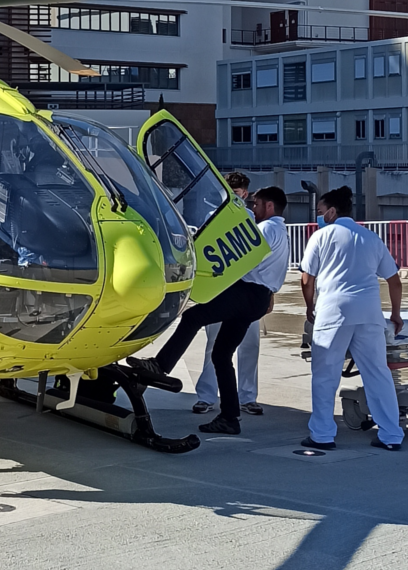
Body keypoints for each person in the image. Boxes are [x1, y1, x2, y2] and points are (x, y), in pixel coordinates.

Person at [129, 186, 289, 435]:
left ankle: (160, 365)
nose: (253, 209)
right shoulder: (282, 230)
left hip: (248, 293)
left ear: (269, 207)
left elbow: (243, 255)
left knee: (193, 316)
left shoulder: (267, 228)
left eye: (256, 205)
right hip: (256, 299)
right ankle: (229, 418)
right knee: (221, 355)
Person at [299, 186, 404, 452]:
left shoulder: (321, 237)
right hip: (369, 313)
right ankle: (391, 435)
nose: (319, 216)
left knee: (325, 375)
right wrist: (394, 313)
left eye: (321, 211)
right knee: (377, 373)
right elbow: (394, 280)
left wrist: (310, 307)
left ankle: (323, 434)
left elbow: (306, 279)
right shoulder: (371, 238)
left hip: (333, 313)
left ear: (332, 211)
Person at [193, 171, 264, 416]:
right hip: (221, 290)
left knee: (250, 345)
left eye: (237, 193)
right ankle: (206, 396)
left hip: (246, 291)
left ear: (244, 193)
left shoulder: (252, 219)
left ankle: (247, 396)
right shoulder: (212, 216)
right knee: (214, 345)